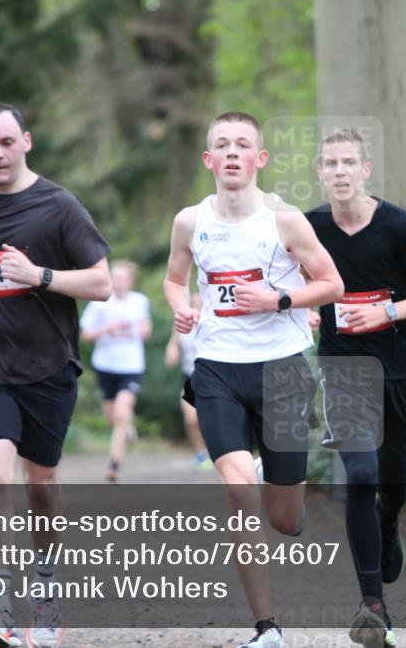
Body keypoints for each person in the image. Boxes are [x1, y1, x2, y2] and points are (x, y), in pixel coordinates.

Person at [163, 111, 343, 648]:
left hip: (282, 369)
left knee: (284, 519)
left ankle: (278, 483)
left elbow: (332, 284)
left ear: (259, 158)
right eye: (222, 145)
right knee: (238, 489)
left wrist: (279, 299)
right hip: (217, 369)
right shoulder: (189, 221)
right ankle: (267, 629)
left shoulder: (285, 221)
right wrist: (182, 309)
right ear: (209, 159)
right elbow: (174, 279)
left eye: (243, 144)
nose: (233, 152)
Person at [0, 102, 111, 648]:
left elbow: (102, 283)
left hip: (48, 366)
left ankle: (47, 588)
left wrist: (39, 275)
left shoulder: (59, 206)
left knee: (41, 484)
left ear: (26, 142)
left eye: (6, 142)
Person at [305, 128, 406, 648]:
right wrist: (305, 313)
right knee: (360, 476)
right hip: (344, 367)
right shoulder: (309, 228)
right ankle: (373, 606)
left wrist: (386, 310)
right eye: (330, 163)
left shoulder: (401, 226)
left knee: (394, 482)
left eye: (349, 162)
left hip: (401, 367)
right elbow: (291, 285)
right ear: (320, 172)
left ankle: (389, 523)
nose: (339, 171)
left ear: (365, 169)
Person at [80, 260, 152, 482]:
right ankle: (127, 429)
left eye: (123, 278)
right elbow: (85, 335)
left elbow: (146, 328)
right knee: (112, 417)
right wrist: (105, 329)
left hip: (131, 365)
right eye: (115, 277)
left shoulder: (140, 301)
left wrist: (142, 330)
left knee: (122, 412)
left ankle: (114, 464)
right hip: (106, 365)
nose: (119, 282)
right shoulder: (100, 302)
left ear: (131, 281)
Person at [163, 292, 211, 469]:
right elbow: (173, 343)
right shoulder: (184, 325)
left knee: (213, 420)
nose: (197, 307)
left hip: (212, 377)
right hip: (190, 378)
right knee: (191, 419)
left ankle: (218, 451)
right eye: (195, 304)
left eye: (201, 304)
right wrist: (172, 352)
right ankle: (200, 452)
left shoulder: (213, 324)